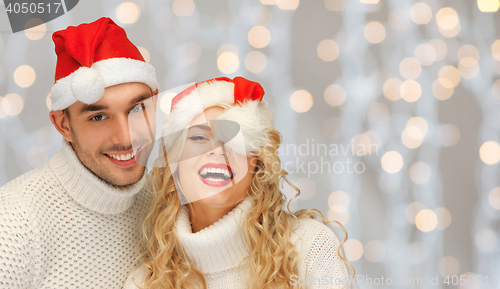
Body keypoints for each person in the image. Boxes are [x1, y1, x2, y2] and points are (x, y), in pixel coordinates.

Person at [124, 77, 356, 289]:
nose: (217, 151)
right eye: (198, 137)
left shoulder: (309, 247)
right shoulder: (145, 282)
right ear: (174, 164)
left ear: (257, 165)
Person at [0, 17, 159, 288]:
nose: (126, 138)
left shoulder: (164, 201)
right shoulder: (14, 224)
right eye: (98, 117)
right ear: (64, 125)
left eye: (136, 109)